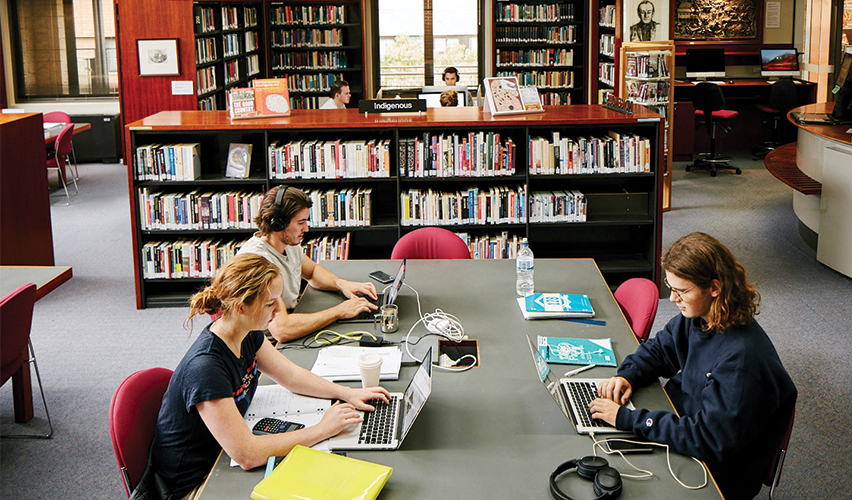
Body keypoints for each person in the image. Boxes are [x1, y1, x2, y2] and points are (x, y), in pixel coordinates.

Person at [151, 253, 390, 499]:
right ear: (241, 306)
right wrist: (322, 429)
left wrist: (347, 393)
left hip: (222, 458)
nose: (278, 310)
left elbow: (291, 376)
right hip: (196, 484)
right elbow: (247, 455)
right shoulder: (206, 369)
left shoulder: (247, 331)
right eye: (269, 303)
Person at [589, 232, 797, 500]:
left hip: (713, 471)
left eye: (681, 291)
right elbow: (660, 350)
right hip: (685, 426)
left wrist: (628, 419)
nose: (673, 299)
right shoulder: (701, 315)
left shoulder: (742, 362)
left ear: (714, 288)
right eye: (670, 288)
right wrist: (628, 376)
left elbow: (708, 439)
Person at [237, 185, 378, 342]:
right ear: (278, 223)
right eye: (300, 222)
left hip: (290, 321)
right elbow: (282, 330)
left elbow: (312, 272)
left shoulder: (287, 244)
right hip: (269, 344)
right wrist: (339, 311)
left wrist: (341, 284)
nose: (306, 228)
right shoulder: (259, 262)